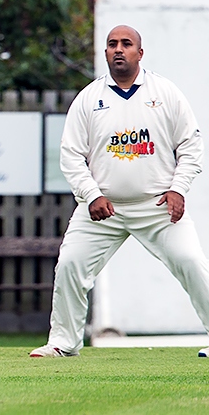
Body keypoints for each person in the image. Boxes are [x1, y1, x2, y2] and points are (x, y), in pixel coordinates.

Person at [30, 25, 209, 358]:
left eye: (126, 44)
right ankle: (64, 342)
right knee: (70, 264)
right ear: (106, 53)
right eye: (112, 44)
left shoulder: (165, 92)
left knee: (191, 261)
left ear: (140, 53)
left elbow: (191, 146)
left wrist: (178, 189)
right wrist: (91, 195)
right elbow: (70, 155)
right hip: (102, 207)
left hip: (157, 205)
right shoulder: (89, 98)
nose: (118, 49)